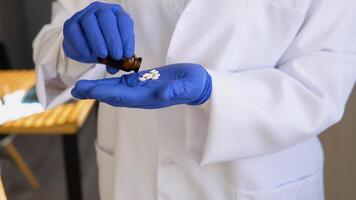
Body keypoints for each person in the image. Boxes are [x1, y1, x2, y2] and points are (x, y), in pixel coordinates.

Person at [33, 0, 356, 199]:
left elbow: (322, 83)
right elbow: (54, 37)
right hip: (135, 171)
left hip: (259, 180)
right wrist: (70, 46)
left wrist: (212, 93)